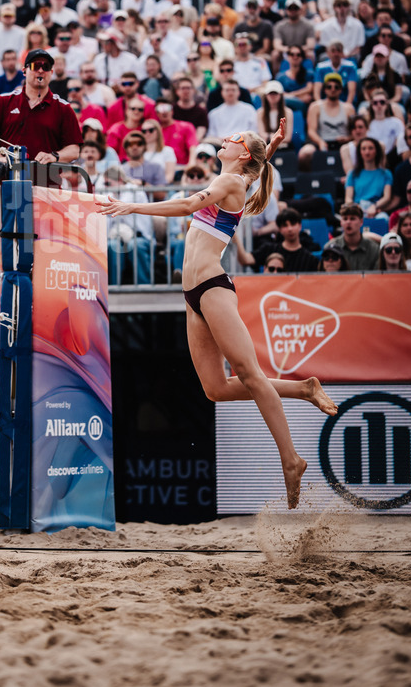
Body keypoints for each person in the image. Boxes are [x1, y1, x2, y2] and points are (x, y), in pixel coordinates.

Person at [96, 121, 337, 509]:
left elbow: (188, 205)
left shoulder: (231, 184)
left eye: (234, 139)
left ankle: (291, 460)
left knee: (251, 375)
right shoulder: (234, 179)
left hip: (212, 287)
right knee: (216, 389)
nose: (226, 139)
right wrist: (270, 145)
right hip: (192, 294)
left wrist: (132, 205)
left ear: (242, 154)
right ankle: (305, 388)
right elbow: (251, 170)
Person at [0, 48, 82, 183]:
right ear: (24, 71)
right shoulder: (4, 102)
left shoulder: (63, 108)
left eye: (46, 67)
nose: (41, 70)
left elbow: (74, 150)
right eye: (35, 66)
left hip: (46, 187)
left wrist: (54, 156)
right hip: (6, 184)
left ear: (51, 73)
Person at [344, 137, 392, 220]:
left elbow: (387, 197)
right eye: (363, 149)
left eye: (370, 148)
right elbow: (348, 197)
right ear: (360, 152)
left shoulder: (386, 173)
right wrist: (355, 208)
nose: (367, 152)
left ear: (376, 151)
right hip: (357, 209)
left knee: (383, 218)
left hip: (376, 209)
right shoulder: (352, 173)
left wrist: (374, 206)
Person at [327, 202, 380, 271]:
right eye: (345, 219)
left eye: (352, 219)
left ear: (361, 222)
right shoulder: (330, 247)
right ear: (341, 222)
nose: (348, 222)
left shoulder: (374, 249)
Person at [257, 81, 294, 148]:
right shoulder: (260, 112)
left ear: (280, 95)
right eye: (270, 93)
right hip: (267, 144)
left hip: (283, 145)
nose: (273, 96)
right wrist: (271, 137)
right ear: (266, 95)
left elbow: (288, 137)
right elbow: (261, 133)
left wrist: (272, 138)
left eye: (275, 93)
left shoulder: (288, 112)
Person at [142, 117, 177, 183]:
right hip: (142, 189)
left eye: (151, 130)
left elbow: (169, 176)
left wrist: (156, 187)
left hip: (161, 189)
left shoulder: (167, 151)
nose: (147, 133)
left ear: (158, 131)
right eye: (144, 131)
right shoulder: (139, 152)